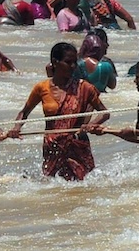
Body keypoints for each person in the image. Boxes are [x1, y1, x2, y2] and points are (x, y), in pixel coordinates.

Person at [6, 41, 109, 180]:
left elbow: (104, 112)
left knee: (82, 187)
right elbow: (24, 112)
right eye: (68, 62)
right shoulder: (42, 88)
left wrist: (92, 124)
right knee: (53, 187)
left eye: (74, 62)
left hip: (77, 145)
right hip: (52, 147)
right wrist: (16, 128)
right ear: (55, 62)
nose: (73, 67)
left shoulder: (84, 87)